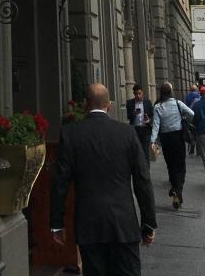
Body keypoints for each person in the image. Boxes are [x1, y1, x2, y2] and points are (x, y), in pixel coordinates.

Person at [51, 82, 157, 276]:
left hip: (89, 225)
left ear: (85, 105)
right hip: (124, 224)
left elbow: (60, 183)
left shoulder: (70, 134)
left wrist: (57, 223)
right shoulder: (127, 133)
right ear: (109, 106)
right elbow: (143, 180)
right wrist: (148, 222)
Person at [150, 82, 194, 210]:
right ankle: (176, 190)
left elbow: (156, 126)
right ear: (170, 92)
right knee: (181, 166)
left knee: (171, 165)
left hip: (165, 138)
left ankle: (176, 192)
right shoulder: (178, 103)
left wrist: (152, 141)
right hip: (178, 137)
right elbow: (191, 113)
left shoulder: (158, 107)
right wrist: (185, 119)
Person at [125, 84, 154, 155]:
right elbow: (128, 117)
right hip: (135, 130)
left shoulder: (148, 102)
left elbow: (152, 115)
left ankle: (146, 162)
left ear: (142, 92)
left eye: (139, 93)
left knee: (145, 151)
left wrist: (149, 120)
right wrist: (134, 113)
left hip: (146, 130)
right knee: (136, 151)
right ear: (133, 94)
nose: (138, 96)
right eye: (136, 94)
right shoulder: (130, 103)